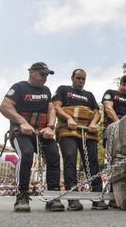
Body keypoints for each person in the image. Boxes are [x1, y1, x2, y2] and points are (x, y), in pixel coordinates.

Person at [0, 62, 64, 212]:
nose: (45, 77)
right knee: (26, 154)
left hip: (41, 133)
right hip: (20, 133)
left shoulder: (46, 90)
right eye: (42, 74)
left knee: (54, 155)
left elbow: (51, 109)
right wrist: (22, 122)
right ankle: (22, 195)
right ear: (32, 72)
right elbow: (4, 106)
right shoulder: (19, 87)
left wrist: (50, 126)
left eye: (47, 75)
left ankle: (52, 196)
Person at [52, 69, 108, 211]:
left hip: (87, 132)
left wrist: (94, 123)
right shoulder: (63, 90)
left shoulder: (89, 95)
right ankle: (73, 198)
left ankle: (97, 197)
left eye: (83, 79)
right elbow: (56, 107)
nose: (81, 81)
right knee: (70, 158)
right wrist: (68, 118)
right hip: (67, 130)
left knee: (93, 161)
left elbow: (96, 112)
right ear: (72, 78)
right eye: (78, 78)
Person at [102, 74, 126, 208]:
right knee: (112, 162)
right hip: (112, 129)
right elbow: (108, 109)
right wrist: (119, 123)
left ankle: (125, 196)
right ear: (121, 83)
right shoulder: (110, 93)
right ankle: (112, 196)